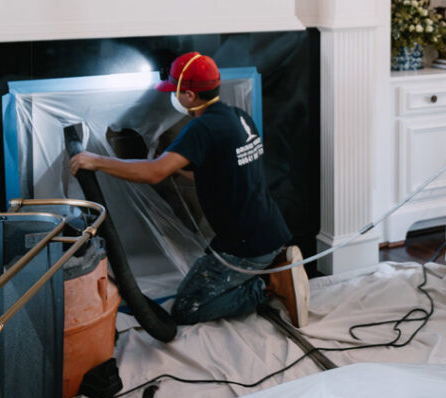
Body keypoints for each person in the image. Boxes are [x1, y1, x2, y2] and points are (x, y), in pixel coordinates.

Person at [70, 51, 309, 327]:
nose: (173, 96)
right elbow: (219, 172)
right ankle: (273, 263)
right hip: (268, 229)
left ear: (190, 96)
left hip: (244, 246)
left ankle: (267, 285)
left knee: (187, 309)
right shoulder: (237, 117)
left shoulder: (202, 128)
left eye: (176, 91)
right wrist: (171, 163)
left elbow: (154, 173)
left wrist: (97, 161)